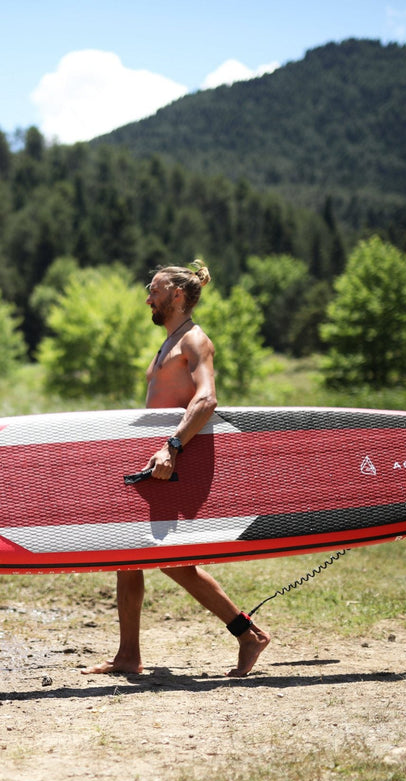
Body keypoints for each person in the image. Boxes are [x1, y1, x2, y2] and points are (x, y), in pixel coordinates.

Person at [83, 259, 270, 677]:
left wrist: (172, 447)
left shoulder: (195, 340)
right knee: (131, 555)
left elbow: (206, 400)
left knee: (170, 560)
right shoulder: (170, 341)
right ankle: (129, 656)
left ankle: (248, 634)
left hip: (175, 462)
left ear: (178, 295)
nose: (148, 295)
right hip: (157, 460)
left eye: (155, 288)